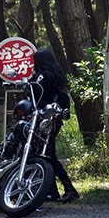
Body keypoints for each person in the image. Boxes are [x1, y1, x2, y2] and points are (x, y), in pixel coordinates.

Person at [31, 49, 79, 203]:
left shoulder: (42, 76)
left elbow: (34, 90)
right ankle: (52, 191)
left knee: (48, 155)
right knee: (45, 154)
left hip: (46, 120)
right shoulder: (57, 76)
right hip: (54, 119)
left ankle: (69, 189)